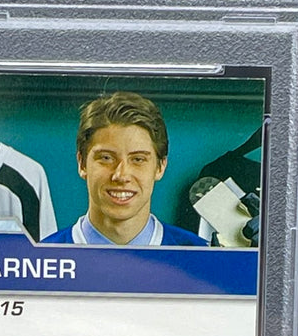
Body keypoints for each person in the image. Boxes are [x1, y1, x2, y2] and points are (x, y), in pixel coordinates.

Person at [44, 93, 207, 246]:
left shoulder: (201, 256)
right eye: (106, 158)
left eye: (138, 159)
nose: (121, 175)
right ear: (82, 163)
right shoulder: (41, 257)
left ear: (160, 167)